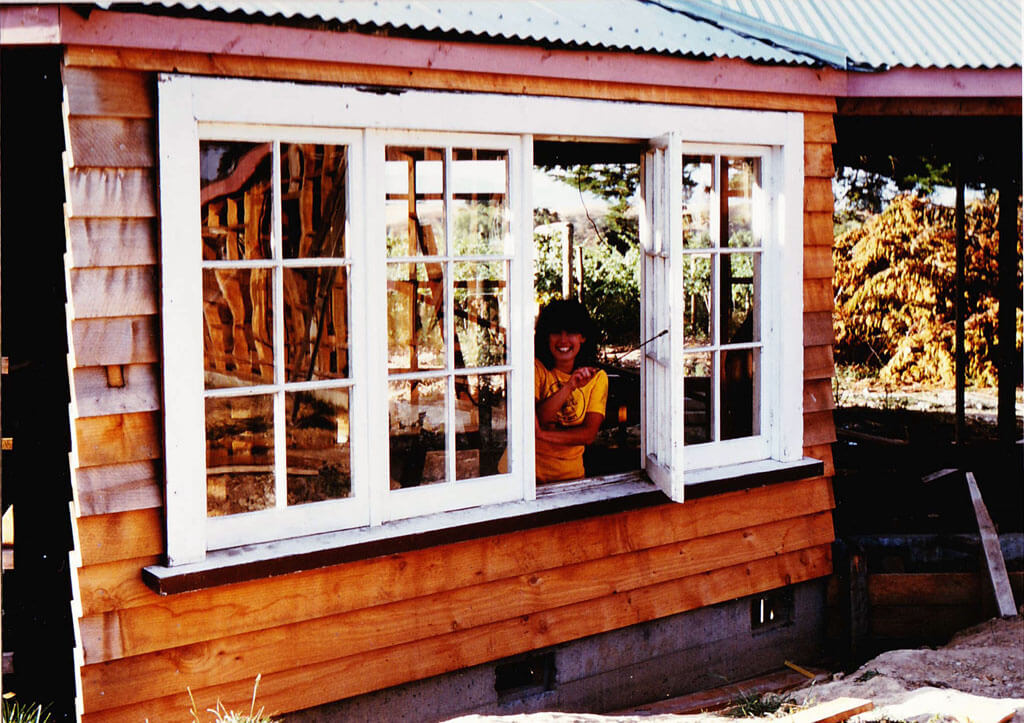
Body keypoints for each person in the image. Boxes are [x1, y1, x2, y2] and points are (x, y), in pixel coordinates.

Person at [534, 299, 608, 482]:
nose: (563, 340)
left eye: (572, 332)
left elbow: (588, 434)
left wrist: (542, 435)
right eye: (556, 332)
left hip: (570, 476)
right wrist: (569, 387)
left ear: (583, 337)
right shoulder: (536, 368)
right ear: (546, 336)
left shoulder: (597, 378)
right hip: (528, 473)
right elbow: (539, 416)